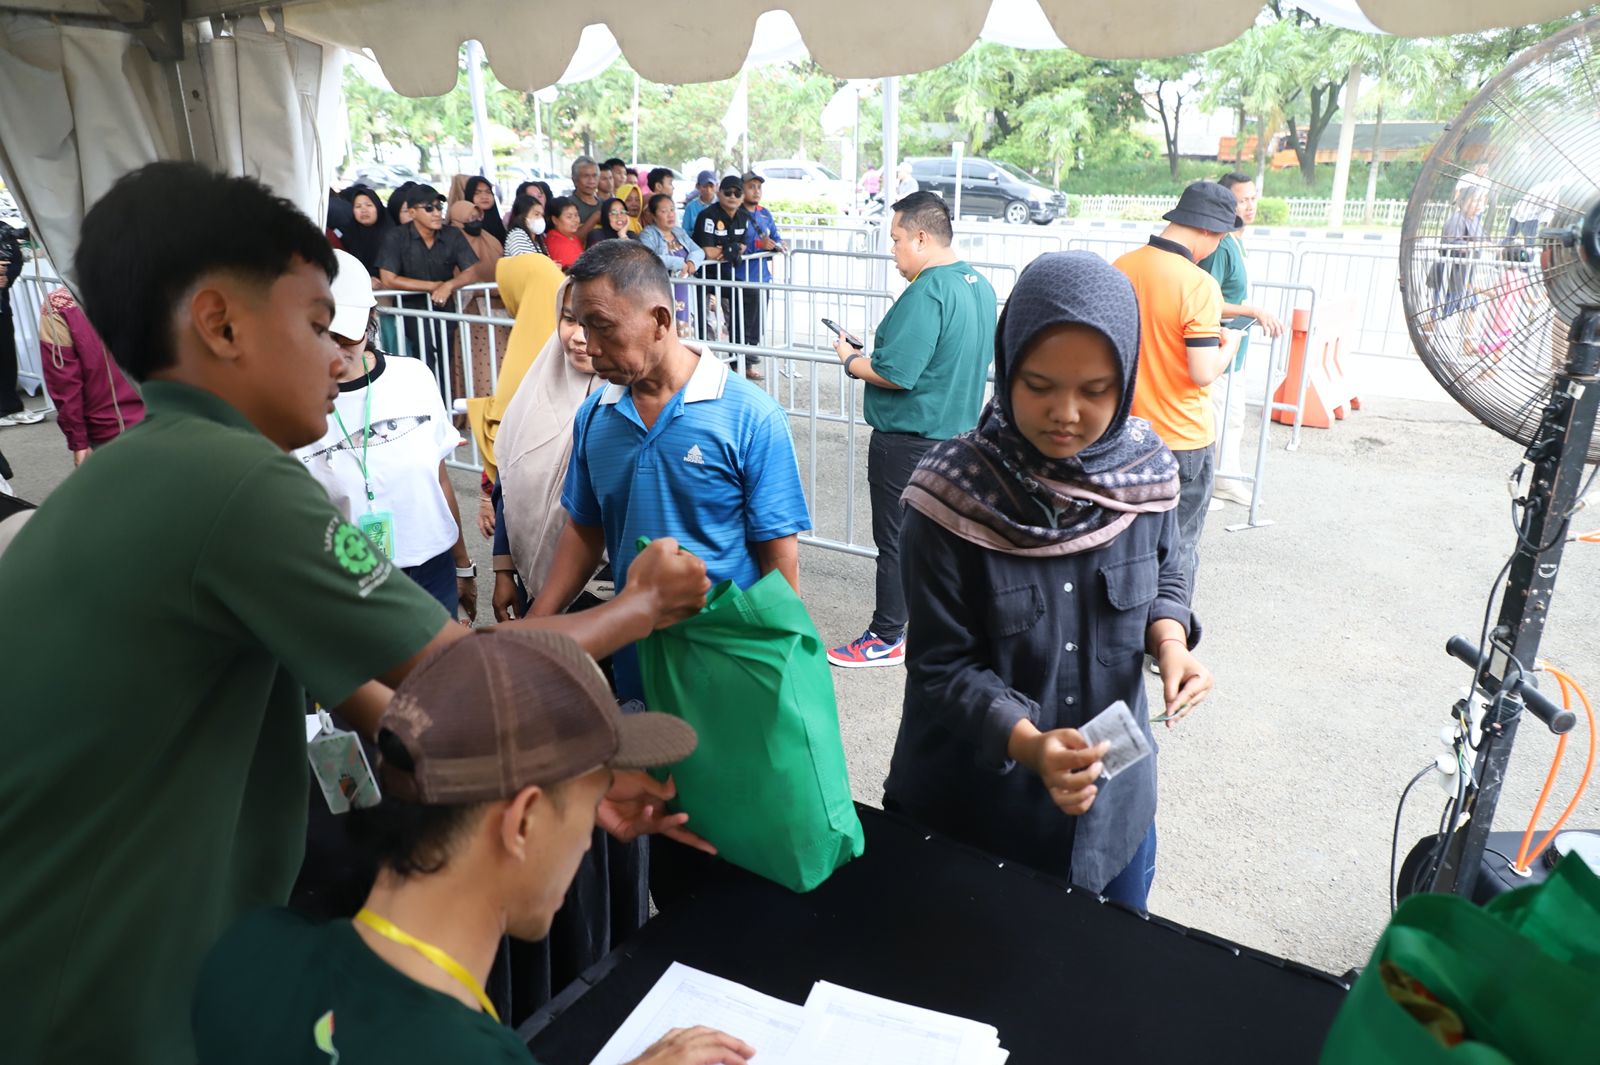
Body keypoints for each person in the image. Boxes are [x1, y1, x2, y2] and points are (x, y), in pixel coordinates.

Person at [0, 162, 712, 1065]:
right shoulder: (232, 481)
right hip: (102, 982)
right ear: (220, 323)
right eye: (313, 325)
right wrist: (638, 606)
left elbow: (385, 704)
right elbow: (466, 677)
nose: (342, 359)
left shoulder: (151, 468)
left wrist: (569, 782)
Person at [193, 629, 757, 1065]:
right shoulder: (469, 1050)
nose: (590, 840)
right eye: (589, 810)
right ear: (522, 822)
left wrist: (582, 791)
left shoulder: (247, 951)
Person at [885, 251, 1212, 911]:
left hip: (1113, 814)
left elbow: (1166, 570)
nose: (1066, 412)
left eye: (1095, 391)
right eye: (1038, 384)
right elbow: (941, 666)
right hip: (974, 814)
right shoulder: (948, 495)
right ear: (1006, 371)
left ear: (1126, 379)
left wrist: (1171, 642)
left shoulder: (1146, 472)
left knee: (1101, 987)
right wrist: (1029, 744)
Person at [530, 239, 811, 704]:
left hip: (726, 662)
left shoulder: (751, 416)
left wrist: (783, 656)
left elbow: (778, 554)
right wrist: (538, 623)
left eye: (602, 326)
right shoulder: (595, 416)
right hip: (633, 657)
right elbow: (585, 529)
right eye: (580, 325)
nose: (588, 344)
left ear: (660, 320)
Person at [826, 191, 997, 669]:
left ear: (922, 237)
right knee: (944, 541)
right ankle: (945, 628)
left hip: (909, 440)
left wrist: (852, 360)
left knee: (898, 542)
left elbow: (899, 373)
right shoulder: (978, 285)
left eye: (897, 239)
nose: (894, 250)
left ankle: (885, 636)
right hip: (959, 437)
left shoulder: (928, 290)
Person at [297, 250, 476, 619]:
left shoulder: (413, 376)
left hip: (431, 566)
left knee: (438, 672)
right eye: (321, 333)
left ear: (371, 319)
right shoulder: (288, 403)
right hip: (345, 580)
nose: (335, 348)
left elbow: (438, 479)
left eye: (347, 334)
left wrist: (462, 564)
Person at [1114, 181, 1243, 600]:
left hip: (1124, 433)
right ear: (1208, 230)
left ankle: (1122, 629)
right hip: (1182, 439)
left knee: (1124, 542)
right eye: (1221, 236)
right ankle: (1166, 644)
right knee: (1178, 547)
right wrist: (1231, 346)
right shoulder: (1199, 284)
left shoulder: (1121, 266)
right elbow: (1203, 372)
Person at [491, 278, 601, 620]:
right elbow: (508, 481)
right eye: (570, 320)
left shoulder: (634, 400)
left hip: (606, 590)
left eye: (593, 323)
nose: (580, 337)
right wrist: (504, 568)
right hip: (533, 584)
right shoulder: (534, 391)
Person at [1197, 172, 1284, 508]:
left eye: (1253, 198)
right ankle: (1212, 484)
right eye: (1242, 199)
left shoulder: (1235, 242)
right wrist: (1254, 311)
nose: (1250, 205)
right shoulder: (1220, 248)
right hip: (1219, 348)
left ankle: (1225, 480)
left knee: (1232, 417)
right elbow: (1207, 299)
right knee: (1219, 417)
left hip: (1236, 348)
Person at [377, 184, 480, 382]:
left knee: (446, 359)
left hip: (445, 308)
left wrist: (448, 286)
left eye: (439, 207)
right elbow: (388, 278)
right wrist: (433, 286)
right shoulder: (396, 237)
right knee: (422, 359)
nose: (437, 213)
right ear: (412, 212)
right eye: (429, 208)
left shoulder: (452, 234)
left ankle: (443, 406)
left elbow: (471, 272)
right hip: (411, 310)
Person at [37, 286, 146, 464]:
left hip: (112, 429)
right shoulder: (163, 286)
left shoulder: (59, 303)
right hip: (173, 419)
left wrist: (78, 440)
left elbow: (64, 382)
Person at [691, 175, 757, 375]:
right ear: (719, 193)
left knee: (750, 296)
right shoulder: (708, 215)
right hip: (700, 275)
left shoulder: (744, 217)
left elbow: (743, 246)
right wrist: (728, 250)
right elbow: (706, 250)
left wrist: (730, 249)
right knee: (702, 319)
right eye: (727, 192)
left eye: (737, 192)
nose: (732, 196)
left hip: (725, 274)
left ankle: (742, 356)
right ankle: (701, 365)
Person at [735, 171, 784, 364]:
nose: (756, 191)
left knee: (758, 323)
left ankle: (748, 360)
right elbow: (735, 245)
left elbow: (775, 236)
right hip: (742, 277)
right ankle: (740, 363)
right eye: (751, 187)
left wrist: (779, 245)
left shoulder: (764, 213)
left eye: (758, 187)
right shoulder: (736, 214)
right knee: (743, 324)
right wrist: (759, 247)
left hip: (763, 277)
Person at [639, 193, 704, 335]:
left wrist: (692, 261)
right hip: (662, 292)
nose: (670, 215)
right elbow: (650, 257)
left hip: (684, 291)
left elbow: (699, 251)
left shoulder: (679, 232)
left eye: (672, 210)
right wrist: (679, 263)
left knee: (687, 334)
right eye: (664, 211)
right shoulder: (648, 234)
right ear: (653, 215)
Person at [0, 222, 41, 427]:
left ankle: (8, 407)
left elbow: (12, 259)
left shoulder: (3, 230)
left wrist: (6, 277)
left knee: (5, 356)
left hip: (1, 308)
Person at [334, 184, 393, 286]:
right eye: (358, 206)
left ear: (378, 207)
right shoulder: (349, 234)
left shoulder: (392, 233)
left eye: (369, 205)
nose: (364, 210)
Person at [462, 175, 508, 245]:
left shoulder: (499, 223)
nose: (484, 197)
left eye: (488, 192)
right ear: (469, 196)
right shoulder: (464, 227)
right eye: (477, 193)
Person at [543, 197, 586, 270]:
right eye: (569, 217)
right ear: (555, 220)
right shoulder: (555, 243)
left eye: (576, 215)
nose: (575, 220)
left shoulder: (572, 236)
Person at [504, 192, 549, 258]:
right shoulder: (517, 235)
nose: (541, 218)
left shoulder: (537, 239)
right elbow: (526, 264)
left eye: (542, 215)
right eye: (536, 214)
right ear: (522, 216)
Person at [570, 156, 604, 238]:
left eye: (594, 176)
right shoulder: (567, 205)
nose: (591, 181)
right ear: (574, 180)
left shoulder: (605, 204)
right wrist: (595, 218)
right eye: (586, 176)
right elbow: (571, 240)